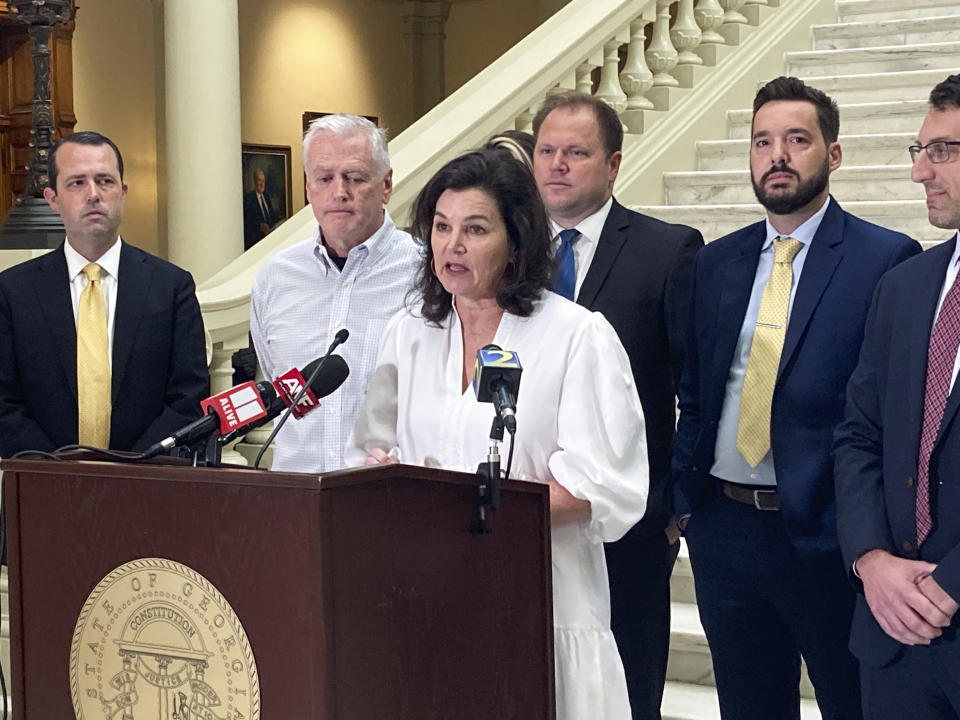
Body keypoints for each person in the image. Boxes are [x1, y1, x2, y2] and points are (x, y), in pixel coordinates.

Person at [345, 147, 648, 720]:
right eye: (440, 227)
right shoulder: (406, 334)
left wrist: (472, 512)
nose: (451, 246)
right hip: (427, 599)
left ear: (517, 243)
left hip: (542, 605)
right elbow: (372, 451)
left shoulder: (576, 337)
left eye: (475, 229)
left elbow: (602, 486)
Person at [671, 76, 921, 719]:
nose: (776, 155)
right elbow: (695, 394)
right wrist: (687, 506)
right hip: (724, 530)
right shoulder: (716, 262)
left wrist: (869, 537)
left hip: (826, 535)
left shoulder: (886, 259)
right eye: (762, 142)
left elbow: (887, 419)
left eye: (796, 140)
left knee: (850, 705)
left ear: (832, 155)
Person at [531, 90, 703, 720]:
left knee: (628, 693)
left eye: (576, 152)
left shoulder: (669, 250)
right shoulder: (510, 255)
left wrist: (674, 510)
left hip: (625, 522)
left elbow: (696, 391)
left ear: (613, 164)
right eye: (546, 151)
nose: (557, 165)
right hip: (529, 519)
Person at [834, 73, 960, 719]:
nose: (920, 173)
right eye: (919, 150)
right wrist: (870, 559)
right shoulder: (906, 285)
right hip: (892, 638)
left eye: (943, 151)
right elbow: (859, 435)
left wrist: (947, 585)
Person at [0, 130, 209, 457]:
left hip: (145, 486)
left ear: (123, 192)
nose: (93, 194)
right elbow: (4, 404)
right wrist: (61, 473)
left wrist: (127, 472)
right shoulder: (12, 293)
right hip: (43, 487)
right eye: (77, 183)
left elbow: (188, 399)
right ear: (53, 199)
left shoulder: (171, 288)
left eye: (105, 181)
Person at [250, 113, 419, 474]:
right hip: (294, 503)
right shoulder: (274, 279)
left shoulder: (426, 273)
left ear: (386, 184)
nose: (339, 192)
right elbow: (272, 372)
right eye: (324, 178)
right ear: (308, 186)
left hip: (389, 498)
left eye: (355, 178)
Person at [243, 168, 278, 250]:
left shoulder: (267, 197)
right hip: (256, 243)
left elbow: (272, 217)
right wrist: (258, 226)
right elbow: (246, 223)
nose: (262, 184)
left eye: (263, 181)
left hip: (270, 242)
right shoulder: (249, 199)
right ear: (254, 182)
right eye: (259, 180)